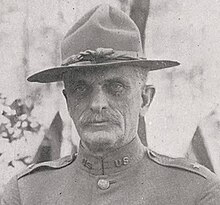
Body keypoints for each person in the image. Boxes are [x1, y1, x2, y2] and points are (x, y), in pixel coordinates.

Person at [1, 4, 220, 205]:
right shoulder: (26, 192)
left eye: (116, 87)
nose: (97, 104)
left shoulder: (196, 191)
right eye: (81, 88)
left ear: (145, 99)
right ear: (68, 102)